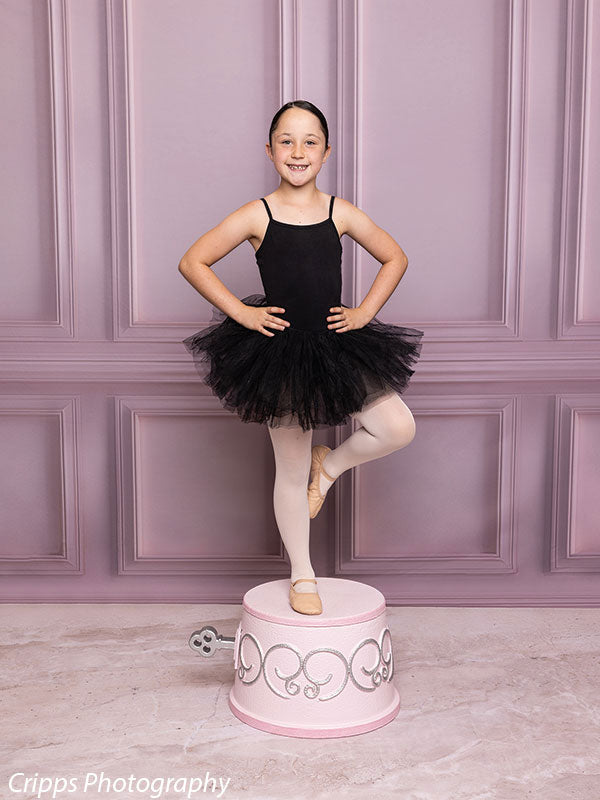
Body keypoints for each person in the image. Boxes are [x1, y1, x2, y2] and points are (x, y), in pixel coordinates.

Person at [178, 100, 424, 617]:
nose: (297, 151)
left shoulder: (340, 212)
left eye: (310, 141)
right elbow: (193, 261)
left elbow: (394, 256)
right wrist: (242, 314)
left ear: (326, 152)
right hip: (282, 353)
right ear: (269, 151)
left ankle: (329, 467)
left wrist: (365, 312)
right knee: (289, 471)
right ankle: (302, 574)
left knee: (397, 428)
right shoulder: (257, 214)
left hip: (337, 344)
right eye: (286, 141)